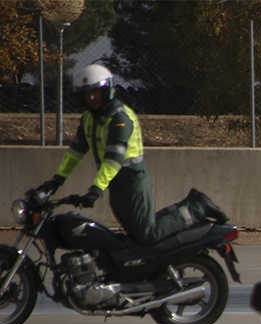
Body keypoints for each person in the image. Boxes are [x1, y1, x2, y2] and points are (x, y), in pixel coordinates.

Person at [32, 63, 228, 245]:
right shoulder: (88, 119)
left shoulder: (120, 118)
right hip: (115, 185)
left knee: (148, 235)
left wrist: (95, 190)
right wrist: (56, 180)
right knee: (133, 239)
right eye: (86, 93)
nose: (91, 97)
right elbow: (75, 153)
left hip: (133, 183)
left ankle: (197, 208)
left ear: (106, 90)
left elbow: (113, 160)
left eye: (95, 92)